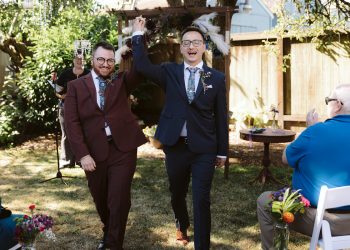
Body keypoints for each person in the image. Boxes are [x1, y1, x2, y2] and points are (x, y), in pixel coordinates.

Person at [132, 17, 228, 249]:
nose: (191, 47)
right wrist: (137, 35)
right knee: (177, 193)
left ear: (204, 46)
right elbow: (143, 66)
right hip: (175, 146)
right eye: (186, 43)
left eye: (196, 42)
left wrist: (222, 152)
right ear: (182, 47)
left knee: (201, 199)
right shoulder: (170, 72)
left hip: (204, 147)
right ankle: (181, 224)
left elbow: (221, 117)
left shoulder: (215, 78)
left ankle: (202, 245)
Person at [64, 41, 147, 250]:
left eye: (110, 60)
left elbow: (140, 69)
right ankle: (109, 228)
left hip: (123, 149)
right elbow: (72, 123)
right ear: (92, 60)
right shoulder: (75, 86)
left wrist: (138, 39)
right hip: (93, 152)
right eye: (101, 59)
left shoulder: (121, 81)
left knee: (118, 199)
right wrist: (82, 155)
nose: (105, 64)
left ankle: (112, 243)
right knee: (101, 198)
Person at [257, 84, 350, 250]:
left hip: (323, 221)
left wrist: (310, 130)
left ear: (338, 105)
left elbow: (285, 158)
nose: (327, 104)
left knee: (264, 201)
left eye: (328, 100)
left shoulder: (315, 132)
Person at [54, 51, 90, 168]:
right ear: (73, 60)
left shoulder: (89, 74)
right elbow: (57, 91)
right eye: (77, 59)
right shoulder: (65, 74)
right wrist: (62, 96)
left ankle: (82, 159)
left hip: (83, 108)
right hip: (65, 107)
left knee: (82, 134)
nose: (79, 61)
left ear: (85, 60)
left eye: (81, 59)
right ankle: (66, 161)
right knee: (66, 133)